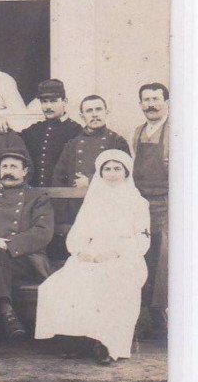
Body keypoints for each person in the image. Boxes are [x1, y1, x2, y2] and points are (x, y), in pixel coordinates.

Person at [35, 150, 150, 364]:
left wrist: (115, 252)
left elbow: (142, 240)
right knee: (61, 284)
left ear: (126, 172)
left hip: (125, 257)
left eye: (117, 169)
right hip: (90, 254)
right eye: (107, 169)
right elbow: (77, 233)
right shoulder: (93, 200)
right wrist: (80, 251)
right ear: (100, 172)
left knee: (109, 282)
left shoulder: (138, 203)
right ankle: (79, 339)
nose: (112, 173)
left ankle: (106, 343)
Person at [0, 146, 54, 361]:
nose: (8, 171)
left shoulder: (38, 197)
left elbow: (42, 232)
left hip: (23, 258)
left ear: (25, 171)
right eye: (4, 167)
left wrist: (8, 245)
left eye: (14, 167)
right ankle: (6, 309)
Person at [52, 95, 130, 223]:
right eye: (89, 111)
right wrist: (63, 213)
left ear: (106, 112)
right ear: (82, 116)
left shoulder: (117, 141)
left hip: (108, 209)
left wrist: (90, 180)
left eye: (98, 109)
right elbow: (58, 178)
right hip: (77, 209)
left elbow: (125, 176)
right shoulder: (73, 144)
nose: (94, 114)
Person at [132, 82, 169, 337]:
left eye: (156, 99)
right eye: (146, 100)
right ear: (140, 104)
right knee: (142, 256)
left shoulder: (177, 131)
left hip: (168, 204)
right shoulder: (138, 132)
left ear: (166, 102)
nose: (151, 105)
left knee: (163, 259)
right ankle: (142, 317)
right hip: (141, 205)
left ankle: (161, 319)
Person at [20, 79, 81, 187]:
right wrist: (1, 121)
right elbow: (14, 140)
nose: (48, 106)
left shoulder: (76, 130)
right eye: (44, 101)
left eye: (53, 101)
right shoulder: (34, 130)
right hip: (35, 194)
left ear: (64, 101)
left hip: (62, 194)